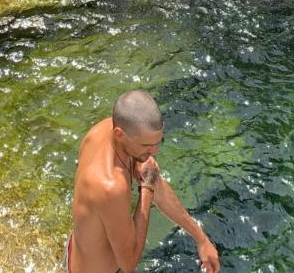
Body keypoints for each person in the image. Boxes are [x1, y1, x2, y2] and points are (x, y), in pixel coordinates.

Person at [67, 90, 220, 272]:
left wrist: (201, 239)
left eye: (157, 143)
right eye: (146, 145)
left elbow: (158, 187)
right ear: (119, 134)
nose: (154, 152)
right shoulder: (110, 186)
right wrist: (146, 188)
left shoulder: (104, 131)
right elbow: (129, 263)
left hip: (75, 251)